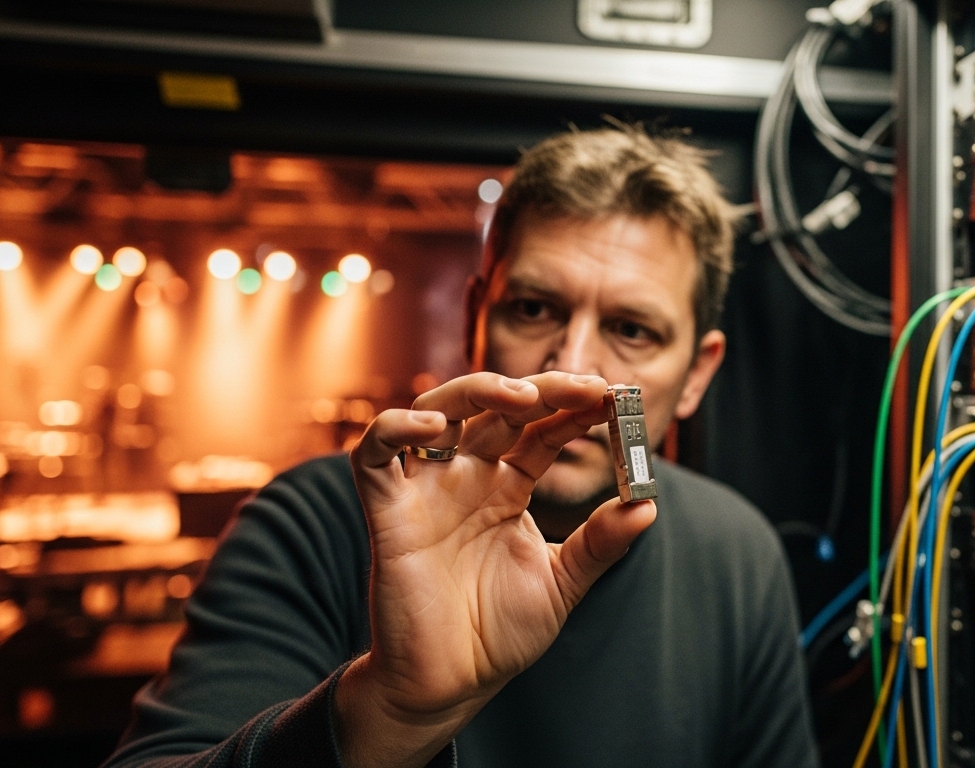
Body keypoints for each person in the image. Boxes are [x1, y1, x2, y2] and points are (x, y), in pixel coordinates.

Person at [104, 124, 821, 768]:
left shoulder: (737, 555)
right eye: (532, 309)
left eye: (632, 330)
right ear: (476, 318)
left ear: (696, 375)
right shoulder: (309, 522)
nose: (571, 367)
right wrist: (384, 715)